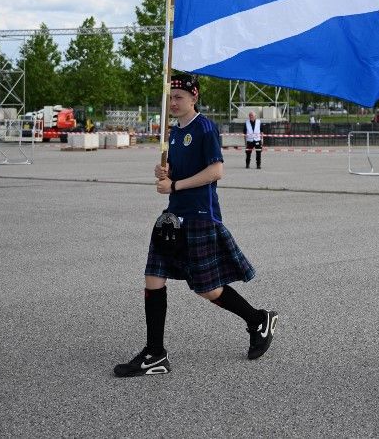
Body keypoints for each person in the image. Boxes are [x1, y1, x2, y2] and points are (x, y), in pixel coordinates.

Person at [114, 73, 278, 377]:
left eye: (179, 97)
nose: (173, 103)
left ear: (194, 97)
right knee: (153, 276)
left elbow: (216, 171)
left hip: (200, 216)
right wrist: (165, 172)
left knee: (208, 289)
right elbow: (179, 171)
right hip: (173, 217)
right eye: (171, 98)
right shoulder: (174, 133)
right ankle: (155, 354)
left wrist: (175, 185)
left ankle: (257, 319)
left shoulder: (204, 128)